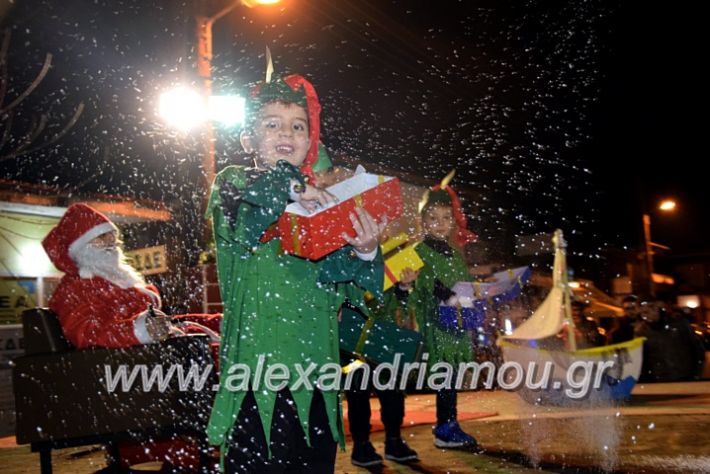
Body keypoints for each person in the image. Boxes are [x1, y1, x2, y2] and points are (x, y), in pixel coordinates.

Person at [206, 72, 386, 473]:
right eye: (272, 124)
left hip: (316, 374)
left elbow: (346, 284)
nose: (287, 131)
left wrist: (366, 249)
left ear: (309, 142)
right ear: (248, 141)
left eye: (298, 125)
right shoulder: (235, 187)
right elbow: (259, 199)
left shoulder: (322, 210)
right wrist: (296, 187)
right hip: (256, 375)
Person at [41, 202, 221, 470]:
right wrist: (139, 330)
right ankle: (211, 435)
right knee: (204, 359)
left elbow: (156, 322)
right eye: (101, 238)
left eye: (112, 235)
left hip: (147, 370)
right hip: (128, 378)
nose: (112, 243)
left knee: (214, 344)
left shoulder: (114, 281)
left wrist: (215, 323)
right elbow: (88, 333)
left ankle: (216, 432)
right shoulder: (76, 289)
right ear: (82, 248)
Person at [388, 181, 479, 449]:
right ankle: (445, 427)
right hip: (437, 324)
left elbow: (463, 283)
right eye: (433, 219)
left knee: (452, 376)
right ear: (423, 222)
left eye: (445, 218)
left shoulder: (455, 254)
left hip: (457, 323)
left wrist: (473, 297)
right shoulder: (419, 251)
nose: (440, 224)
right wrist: (449, 297)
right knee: (445, 373)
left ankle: (450, 423)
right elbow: (428, 284)